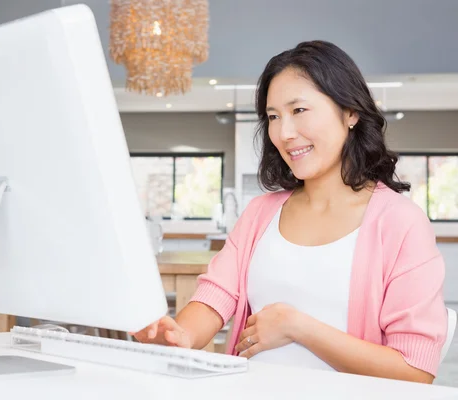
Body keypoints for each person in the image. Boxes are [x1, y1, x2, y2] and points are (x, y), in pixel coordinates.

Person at [132, 40, 447, 384]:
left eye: (299, 111)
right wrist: (182, 338)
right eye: (273, 117)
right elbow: (216, 296)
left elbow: (414, 371)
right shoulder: (260, 214)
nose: (284, 133)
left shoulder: (400, 222)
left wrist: (298, 327)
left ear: (351, 112)